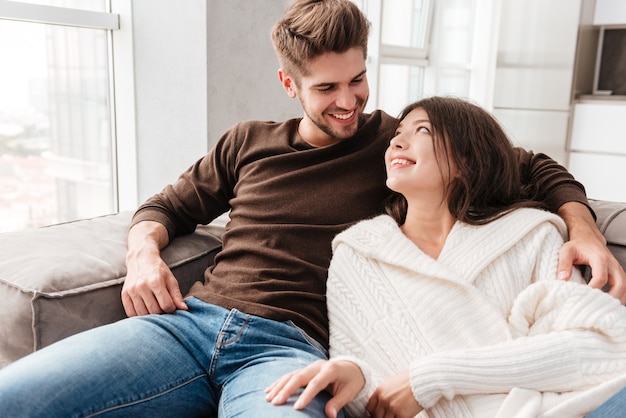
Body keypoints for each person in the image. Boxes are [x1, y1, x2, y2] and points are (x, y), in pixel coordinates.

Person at [0, 1, 623, 416]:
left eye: (358, 79)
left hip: (290, 351)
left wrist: (584, 230)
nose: (350, 101)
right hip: (186, 326)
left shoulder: (398, 148)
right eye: (327, 88)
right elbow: (165, 206)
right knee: (16, 396)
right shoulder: (247, 142)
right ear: (288, 84)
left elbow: (534, 167)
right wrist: (142, 253)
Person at [265, 96, 626, 418]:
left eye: (421, 130)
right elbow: (376, 396)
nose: (397, 140)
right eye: (398, 133)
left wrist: (434, 377)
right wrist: (355, 376)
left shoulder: (531, 234)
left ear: (468, 159)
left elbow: (603, 349)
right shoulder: (356, 255)